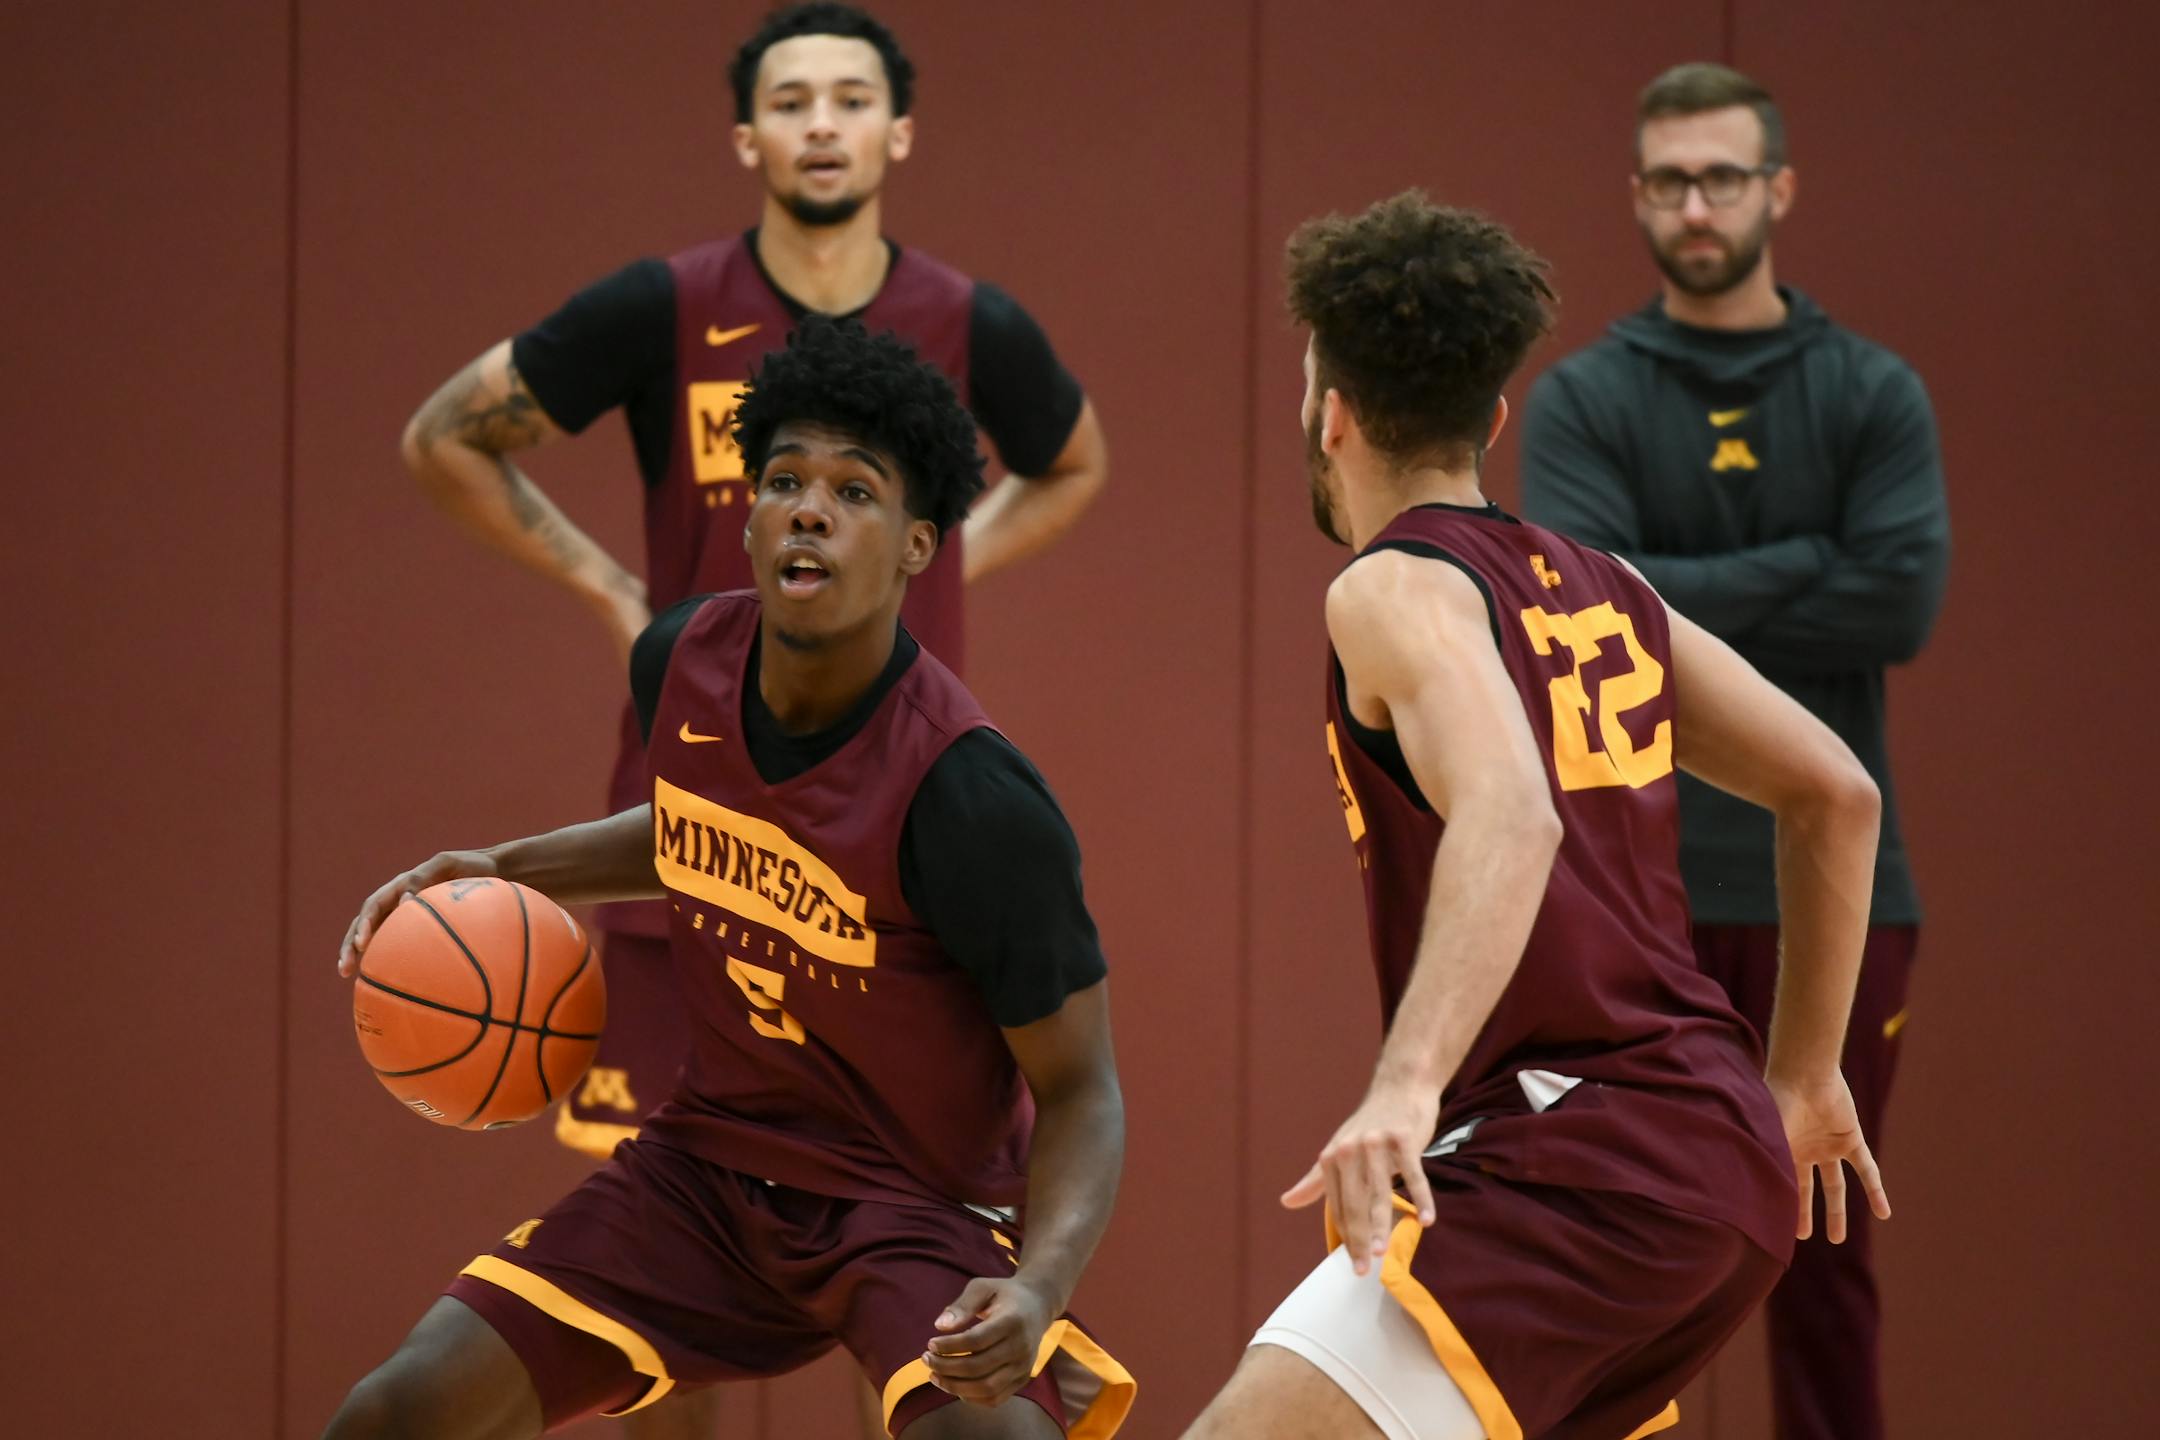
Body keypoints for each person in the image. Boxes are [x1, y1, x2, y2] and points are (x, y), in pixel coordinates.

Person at [327, 318, 1132, 1440]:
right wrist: (508, 867)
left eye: (855, 491)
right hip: (710, 1167)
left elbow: (1086, 1094)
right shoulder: (681, 660)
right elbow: (697, 825)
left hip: (911, 1206)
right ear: (749, 518)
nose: (809, 507)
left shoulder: (974, 803)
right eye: (784, 479)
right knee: (397, 1410)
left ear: (917, 545)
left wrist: (1039, 1287)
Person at [1181, 191, 1890, 1440]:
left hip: (1582, 1153)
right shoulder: (1607, 588)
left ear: (1329, 411)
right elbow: (1836, 791)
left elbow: (1512, 816)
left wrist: (1402, 1089)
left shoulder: (1391, 586)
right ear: (1495, 415)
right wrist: (1807, 1073)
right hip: (1711, 1155)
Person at [397, 0, 1107, 1193]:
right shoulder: (662, 306)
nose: (821, 126)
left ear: (898, 134)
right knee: (661, 1224)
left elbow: (1076, 458)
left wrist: (941, 566)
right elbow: (445, 437)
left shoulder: (967, 321)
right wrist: (612, 587)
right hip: (693, 799)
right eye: (789, 104)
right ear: (746, 140)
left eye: (851, 100)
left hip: (896, 826)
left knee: (917, 1223)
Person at [1518, 63, 1948, 1440]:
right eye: (1667, 181)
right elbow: (1573, 600)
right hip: (1641, 895)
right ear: (1637, 196)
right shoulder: (1584, 398)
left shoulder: (1871, 393)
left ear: (1778, 190)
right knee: (1621, 1248)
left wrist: (1669, 587)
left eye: (1720, 178)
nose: (1693, 206)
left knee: (1822, 1251)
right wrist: (1804, 566)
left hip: (1838, 900)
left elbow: (1903, 600)